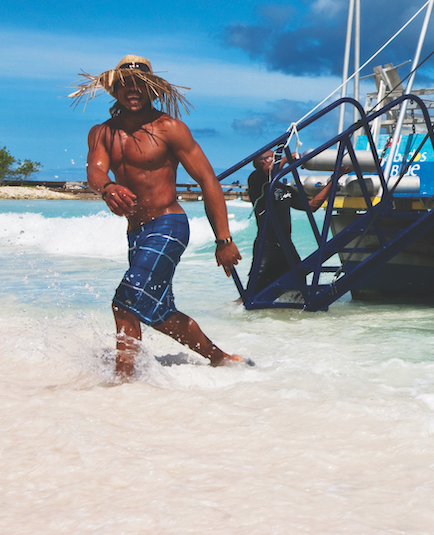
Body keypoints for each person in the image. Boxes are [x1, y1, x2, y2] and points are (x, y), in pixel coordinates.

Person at [71, 54, 249, 381]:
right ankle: (220, 359)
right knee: (156, 310)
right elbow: (95, 171)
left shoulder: (170, 129)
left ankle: (123, 382)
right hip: (136, 232)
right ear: (116, 91)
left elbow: (208, 180)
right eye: (125, 84)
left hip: (169, 225)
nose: (133, 89)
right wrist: (107, 187)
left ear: (153, 89)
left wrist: (223, 239)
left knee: (125, 300)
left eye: (141, 84)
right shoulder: (102, 133)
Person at [246, 148, 333, 297]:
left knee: (298, 286)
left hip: (286, 246)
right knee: (252, 293)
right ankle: (232, 313)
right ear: (262, 162)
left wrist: (334, 180)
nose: (276, 159)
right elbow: (269, 172)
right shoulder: (256, 181)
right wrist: (288, 157)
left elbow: (312, 206)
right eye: (273, 157)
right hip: (267, 246)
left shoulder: (284, 189)